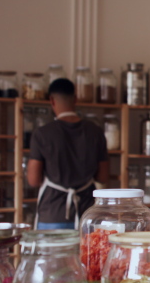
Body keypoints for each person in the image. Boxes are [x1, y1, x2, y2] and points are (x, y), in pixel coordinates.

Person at [27, 78, 109, 230]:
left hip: (53, 214)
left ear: (51, 100)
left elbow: (33, 180)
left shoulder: (42, 134)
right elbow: (102, 177)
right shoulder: (95, 132)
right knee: (88, 253)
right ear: (75, 99)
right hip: (88, 213)